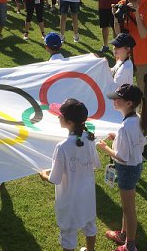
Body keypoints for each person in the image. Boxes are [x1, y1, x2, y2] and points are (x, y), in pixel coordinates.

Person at [39, 99, 100, 251]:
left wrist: (43, 174)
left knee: (68, 233)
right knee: (90, 224)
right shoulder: (90, 139)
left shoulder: (62, 147)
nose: (58, 117)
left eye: (60, 115)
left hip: (69, 199)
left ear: (70, 122)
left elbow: (55, 178)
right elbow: (95, 165)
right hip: (87, 195)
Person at [97, 84, 147, 251]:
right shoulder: (137, 119)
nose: (114, 100)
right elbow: (137, 143)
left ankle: (130, 245)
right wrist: (117, 138)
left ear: (128, 103)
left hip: (127, 169)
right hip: (135, 166)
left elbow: (122, 156)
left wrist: (105, 147)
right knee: (127, 208)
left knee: (129, 210)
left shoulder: (125, 126)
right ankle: (123, 234)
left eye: (118, 98)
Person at [112, 0, 147, 94]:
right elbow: (118, 35)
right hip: (124, 56)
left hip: (142, 56)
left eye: (135, 0)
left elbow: (143, 34)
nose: (131, 3)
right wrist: (116, 18)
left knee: (142, 93)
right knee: (121, 92)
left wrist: (136, 13)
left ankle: (142, 112)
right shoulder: (122, 4)